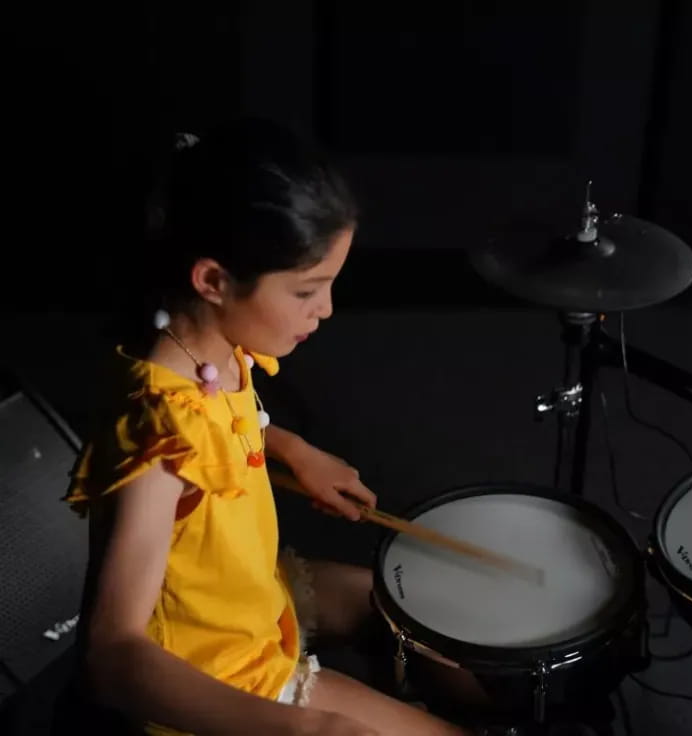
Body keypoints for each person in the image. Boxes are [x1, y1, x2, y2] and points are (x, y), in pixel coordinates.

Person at [62, 118, 471, 736]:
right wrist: (308, 728)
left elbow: (221, 432)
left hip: (251, 596)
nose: (326, 309)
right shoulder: (156, 441)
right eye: (308, 290)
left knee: (425, 617)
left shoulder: (210, 348)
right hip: (220, 672)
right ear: (214, 280)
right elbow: (113, 656)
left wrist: (290, 448)